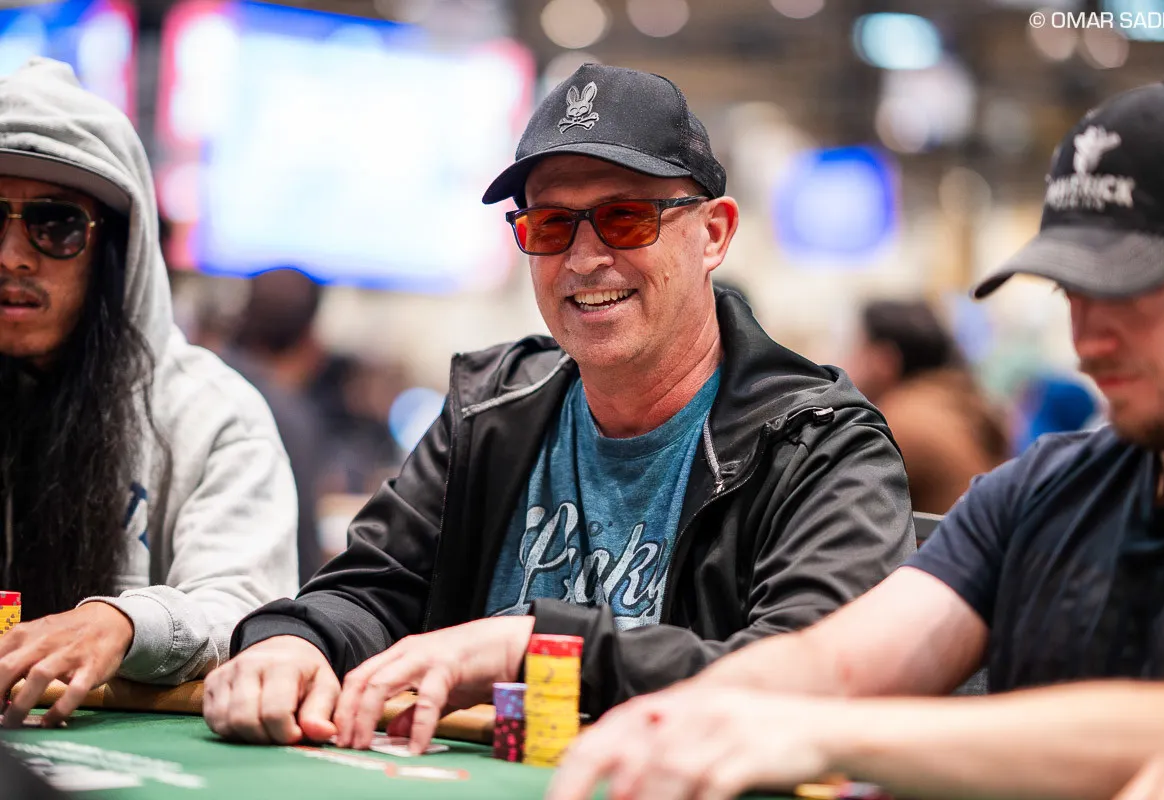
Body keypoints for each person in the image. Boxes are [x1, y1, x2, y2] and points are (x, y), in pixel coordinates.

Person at [202, 63, 914, 752]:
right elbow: (371, 590)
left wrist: (539, 648)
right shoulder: (490, 407)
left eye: (625, 219)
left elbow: (818, 673)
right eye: (550, 226)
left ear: (715, 234)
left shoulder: (820, 443)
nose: (582, 258)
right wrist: (297, 641)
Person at [548, 77, 1164, 800]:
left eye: (1134, 288)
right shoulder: (1037, 495)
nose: (1088, 338)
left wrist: (820, 734)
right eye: (1071, 290)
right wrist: (674, 715)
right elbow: (832, 666)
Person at [0, 58, 298, 727]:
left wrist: (122, 624)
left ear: (118, 250)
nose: (12, 255)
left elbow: (248, 611)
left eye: (55, 225)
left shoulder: (212, 414)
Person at [844, 299, 1009, 513]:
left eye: (858, 347)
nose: (846, 360)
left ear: (883, 361)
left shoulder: (902, 420)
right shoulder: (949, 399)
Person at [224, 267, 328, 582]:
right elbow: (303, 551)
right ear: (309, 338)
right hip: (254, 600)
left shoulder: (197, 382)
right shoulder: (289, 417)